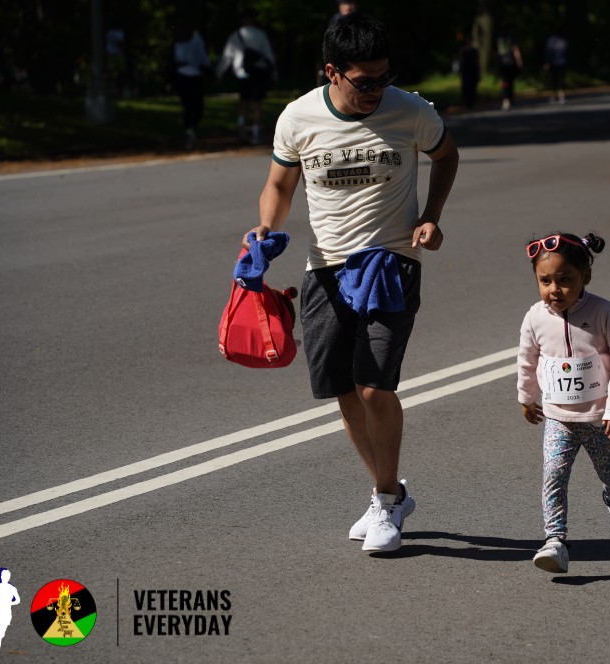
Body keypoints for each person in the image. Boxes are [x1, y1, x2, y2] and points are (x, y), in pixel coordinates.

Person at [244, 12, 459, 555]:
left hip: (391, 261)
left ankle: (385, 502)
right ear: (332, 72)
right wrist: (265, 228)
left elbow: (446, 155)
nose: (376, 90)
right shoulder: (298, 118)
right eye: (365, 82)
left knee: (374, 386)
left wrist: (431, 215)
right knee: (342, 389)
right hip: (325, 268)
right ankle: (389, 491)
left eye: (384, 78)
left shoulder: (411, 111)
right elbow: (279, 184)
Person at [517, 232, 610, 574]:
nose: (554, 289)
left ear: (586, 276)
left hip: (600, 419)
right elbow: (527, 359)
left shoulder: (603, 311)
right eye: (545, 281)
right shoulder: (535, 317)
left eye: (565, 280)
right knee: (553, 475)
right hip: (558, 417)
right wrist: (526, 397)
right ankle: (555, 540)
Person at [217, 11, 276, 145]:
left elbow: (227, 56)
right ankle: (255, 134)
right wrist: (274, 73)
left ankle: (241, 130)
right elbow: (268, 54)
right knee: (257, 104)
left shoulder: (235, 35)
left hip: (241, 73)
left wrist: (219, 73)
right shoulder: (260, 35)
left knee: (243, 102)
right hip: (258, 73)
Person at [173, 20, 211, 151]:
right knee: (195, 105)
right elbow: (202, 57)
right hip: (192, 76)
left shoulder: (181, 40)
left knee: (189, 105)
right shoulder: (195, 39)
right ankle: (191, 128)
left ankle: (189, 129)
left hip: (184, 75)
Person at [496, 33, 522, 111]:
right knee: (510, 82)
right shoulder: (511, 39)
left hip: (502, 64)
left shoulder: (499, 40)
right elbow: (516, 51)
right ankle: (509, 99)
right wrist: (519, 62)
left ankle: (506, 99)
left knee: (505, 82)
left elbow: (496, 53)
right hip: (510, 64)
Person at [543, 30, 569, 104]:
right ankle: (561, 96)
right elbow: (567, 51)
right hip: (562, 62)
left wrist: (547, 62)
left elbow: (548, 52)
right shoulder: (563, 41)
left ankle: (554, 96)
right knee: (561, 80)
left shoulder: (551, 41)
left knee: (554, 80)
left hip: (554, 63)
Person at [459, 38, 481, 109]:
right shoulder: (463, 51)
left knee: (472, 87)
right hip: (466, 72)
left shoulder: (474, 51)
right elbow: (462, 61)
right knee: (466, 87)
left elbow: (477, 62)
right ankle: (466, 102)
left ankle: (472, 102)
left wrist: (478, 72)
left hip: (473, 71)